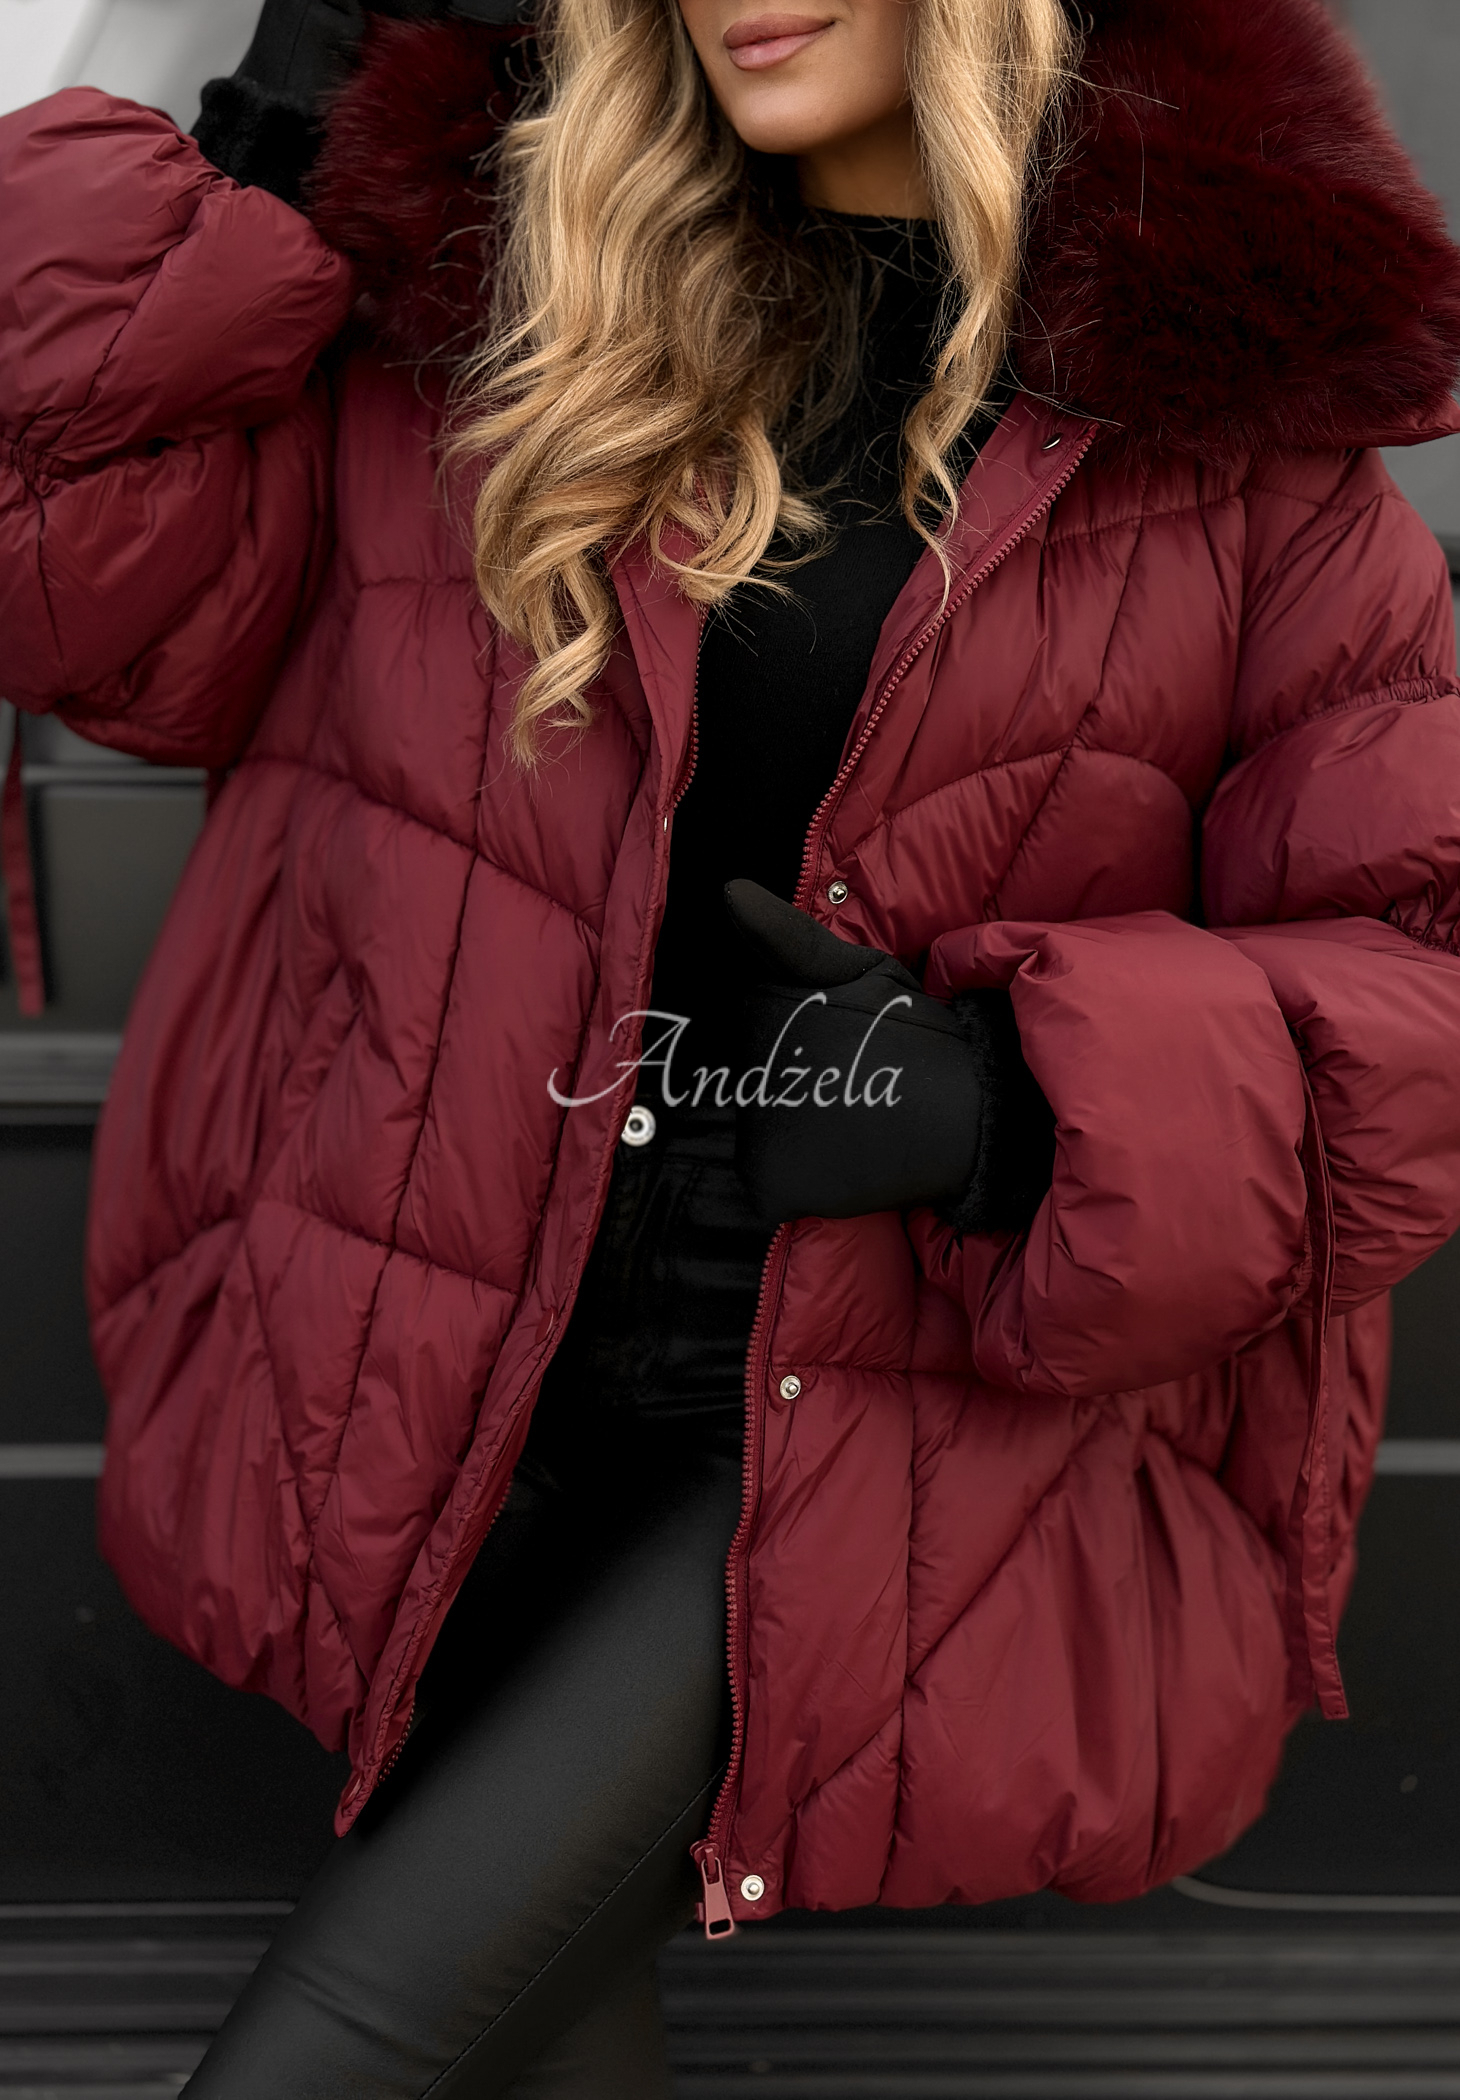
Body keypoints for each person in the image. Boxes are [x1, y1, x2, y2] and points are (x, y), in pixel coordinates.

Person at [3, 0, 1460, 2088]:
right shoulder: (491, 301)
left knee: (344, 2048)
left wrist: (1014, 1106)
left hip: (848, 1398)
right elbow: (80, 606)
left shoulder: (1229, 417)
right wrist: (288, 108)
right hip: (438, 1354)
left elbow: (1418, 963)